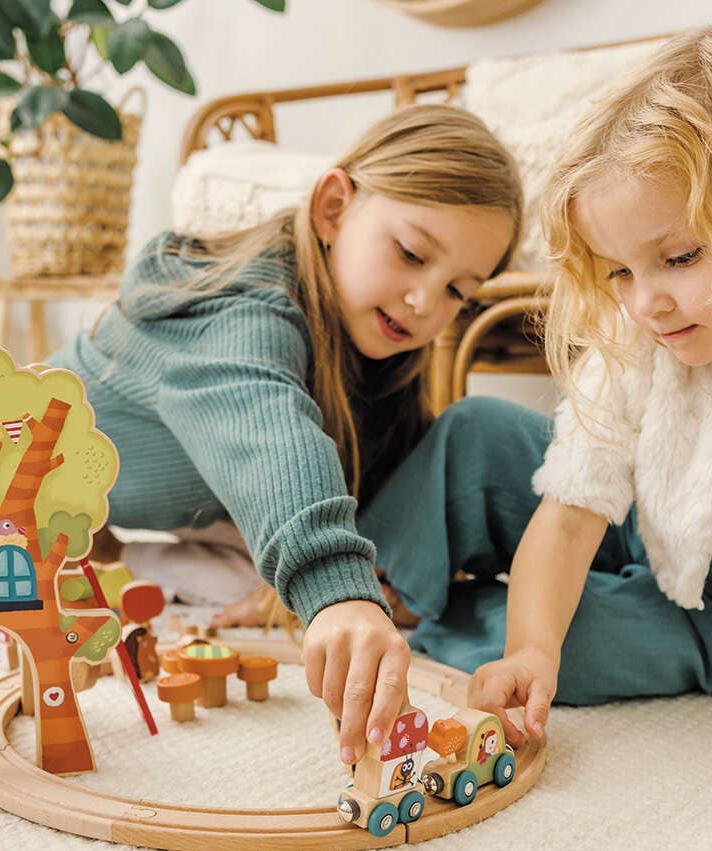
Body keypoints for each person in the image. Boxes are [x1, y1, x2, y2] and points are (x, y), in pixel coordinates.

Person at [435, 11, 712, 830]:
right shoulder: (643, 334)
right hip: (653, 537)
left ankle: (433, 602)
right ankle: (383, 588)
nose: (644, 300)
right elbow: (571, 507)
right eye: (620, 271)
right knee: (473, 433)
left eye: (680, 257)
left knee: (543, 660)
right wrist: (530, 649)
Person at [48, 104, 523, 765]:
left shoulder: (375, 350)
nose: (424, 303)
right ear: (334, 208)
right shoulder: (239, 304)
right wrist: (337, 593)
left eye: (458, 294)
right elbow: (267, 433)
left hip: (139, 515)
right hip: (15, 467)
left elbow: (375, 481)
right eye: (412, 254)